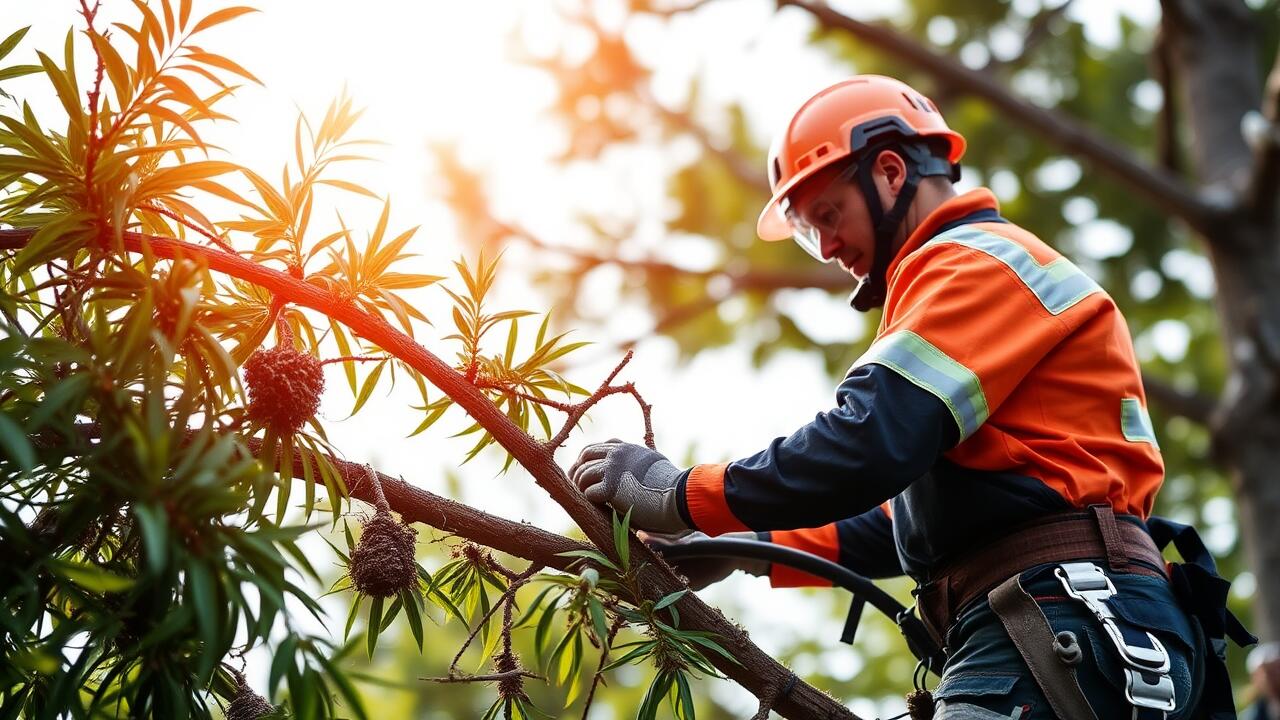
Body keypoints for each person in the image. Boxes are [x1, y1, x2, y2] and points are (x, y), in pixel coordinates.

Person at [569, 75, 1254, 719]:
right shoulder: (971, 290)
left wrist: (682, 492)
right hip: (1091, 619)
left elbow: (863, 443)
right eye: (810, 232)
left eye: (828, 213)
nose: (829, 245)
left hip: (1059, 613)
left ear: (892, 172)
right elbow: (896, 524)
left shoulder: (969, 265)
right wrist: (744, 542)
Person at [1246, 643, 1280, 720]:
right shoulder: (1253, 715)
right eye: (1268, 671)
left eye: (1277, 668)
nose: (1274, 676)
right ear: (1254, 678)